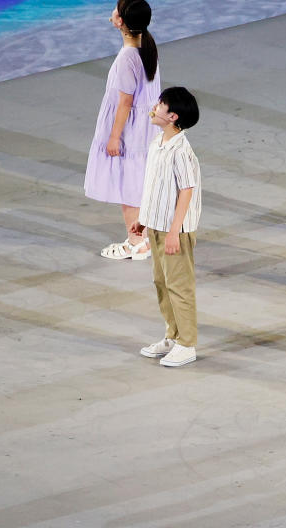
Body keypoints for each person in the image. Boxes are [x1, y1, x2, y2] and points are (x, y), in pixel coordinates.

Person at [129, 87, 202, 367]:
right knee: (161, 282)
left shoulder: (181, 151)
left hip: (176, 231)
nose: (155, 107)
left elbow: (186, 191)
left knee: (179, 286)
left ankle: (187, 344)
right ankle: (173, 335)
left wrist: (174, 232)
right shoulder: (157, 144)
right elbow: (156, 187)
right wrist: (144, 218)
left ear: (173, 116)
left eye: (161, 104)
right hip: (157, 226)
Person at [85, 0, 161, 260]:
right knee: (139, 181)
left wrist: (114, 137)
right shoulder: (147, 47)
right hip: (146, 127)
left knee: (128, 185)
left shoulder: (127, 58)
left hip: (131, 130)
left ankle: (136, 242)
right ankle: (143, 237)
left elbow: (125, 102)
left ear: (120, 21)